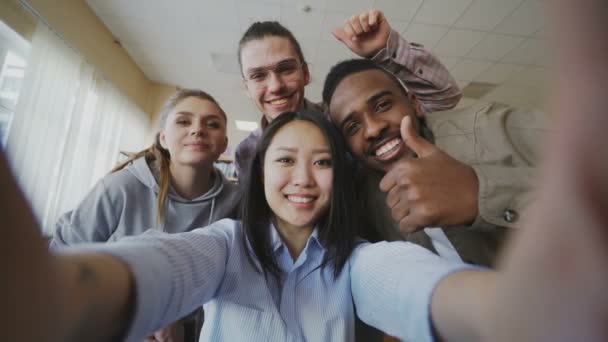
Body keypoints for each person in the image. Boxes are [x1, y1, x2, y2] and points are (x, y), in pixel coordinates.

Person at [3, 0, 608, 339]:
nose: (302, 179)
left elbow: (409, 280)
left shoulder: (357, 236)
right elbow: (178, 261)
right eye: (284, 161)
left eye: (323, 161)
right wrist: (73, 295)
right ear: (255, 172)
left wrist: (503, 313)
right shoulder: (226, 240)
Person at [50, 88, 240, 342]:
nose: (197, 129)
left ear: (224, 145)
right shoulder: (120, 187)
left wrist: (176, 319)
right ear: (163, 138)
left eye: (212, 124)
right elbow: (61, 259)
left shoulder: (238, 203)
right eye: (184, 121)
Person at [323, 59, 547, 266]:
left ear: (415, 104)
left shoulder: (491, 128)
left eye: (382, 105)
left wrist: (479, 192)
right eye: (352, 127)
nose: (373, 129)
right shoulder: (367, 203)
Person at [234, 9, 462, 177]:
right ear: (246, 88)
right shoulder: (246, 154)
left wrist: (385, 51)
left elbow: (444, 97)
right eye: (258, 76)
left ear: (305, 73)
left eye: (286, 69)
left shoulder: (341, 121)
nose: (275, 86)